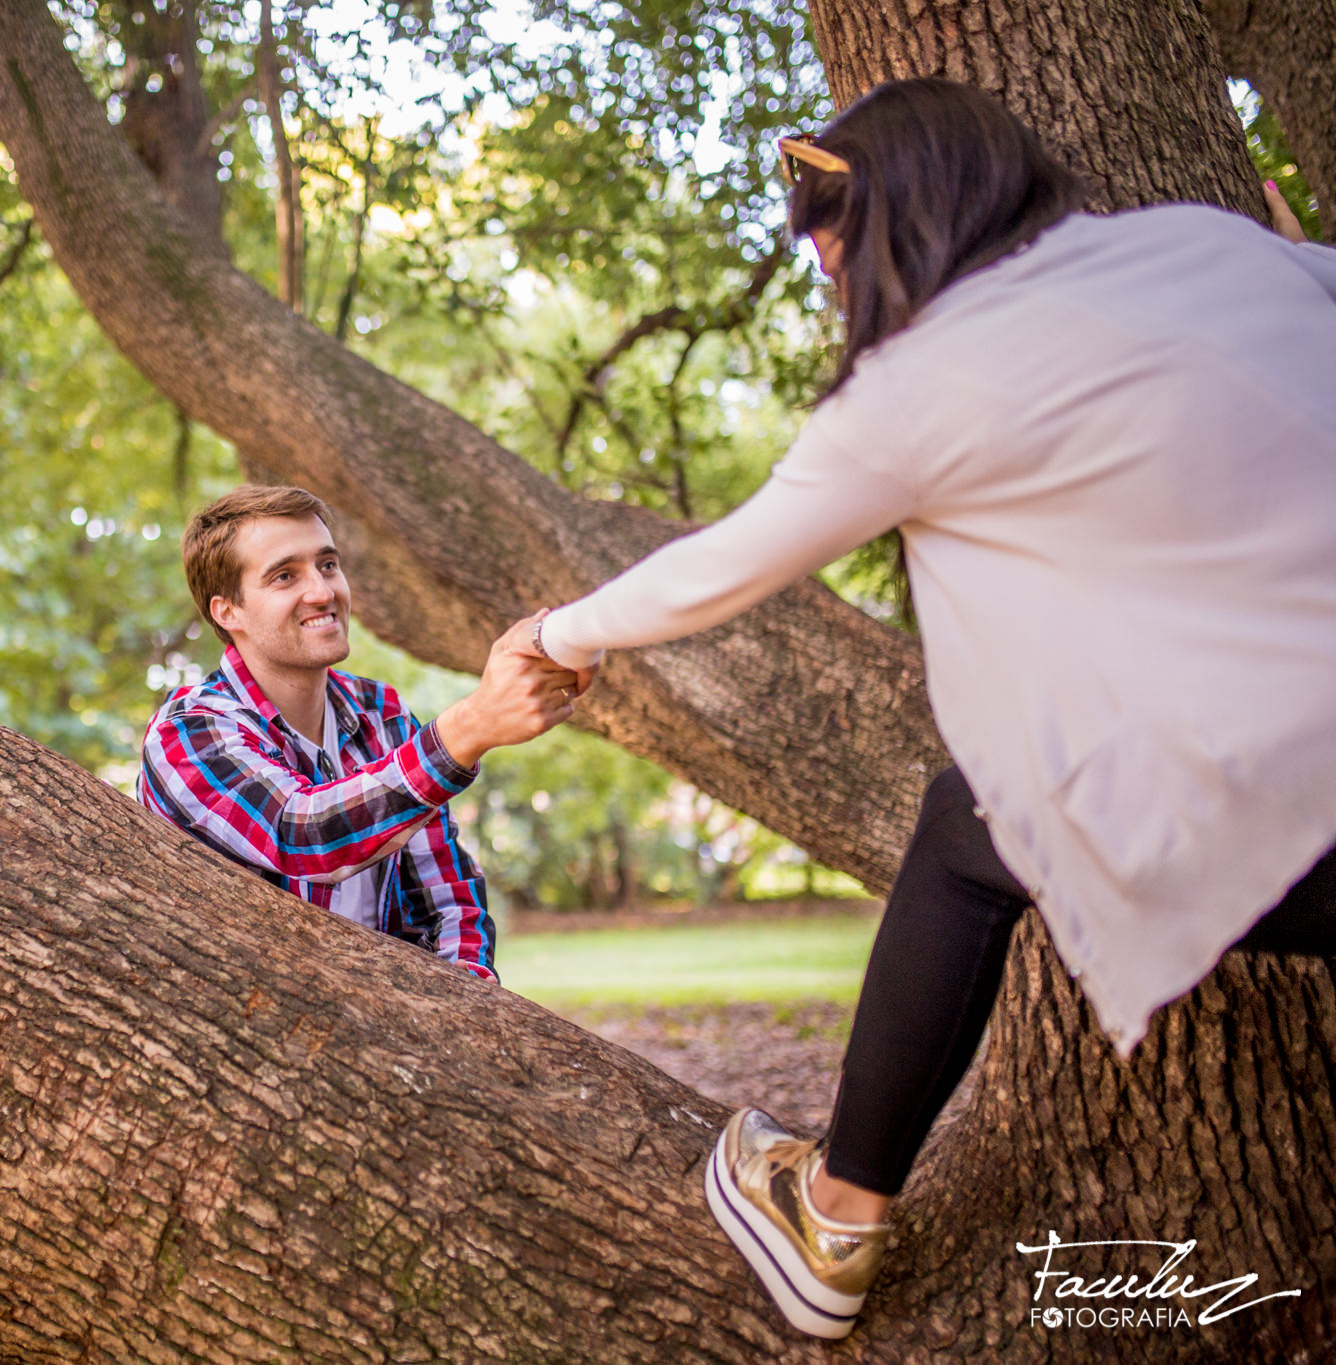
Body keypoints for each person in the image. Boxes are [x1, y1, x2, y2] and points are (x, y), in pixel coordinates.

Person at [522, 78, 1336, 1339]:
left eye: (827, 244)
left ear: (900, 213)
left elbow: (720, 567)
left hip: (1309, 815)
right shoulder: (1208, 244)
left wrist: (550, 633)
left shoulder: (921, 389)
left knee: (972, 827)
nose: (826, 278)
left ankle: (833, 1218)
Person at [140, 485, 590, 981]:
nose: (322, 591)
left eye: (328, 565)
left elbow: (447, 896)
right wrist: (470, 727)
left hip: (390, 1025)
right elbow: (303, 833)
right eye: (285, 575)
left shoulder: (383, 714)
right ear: (228, 611)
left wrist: (468, 1009)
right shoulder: (187, 733)